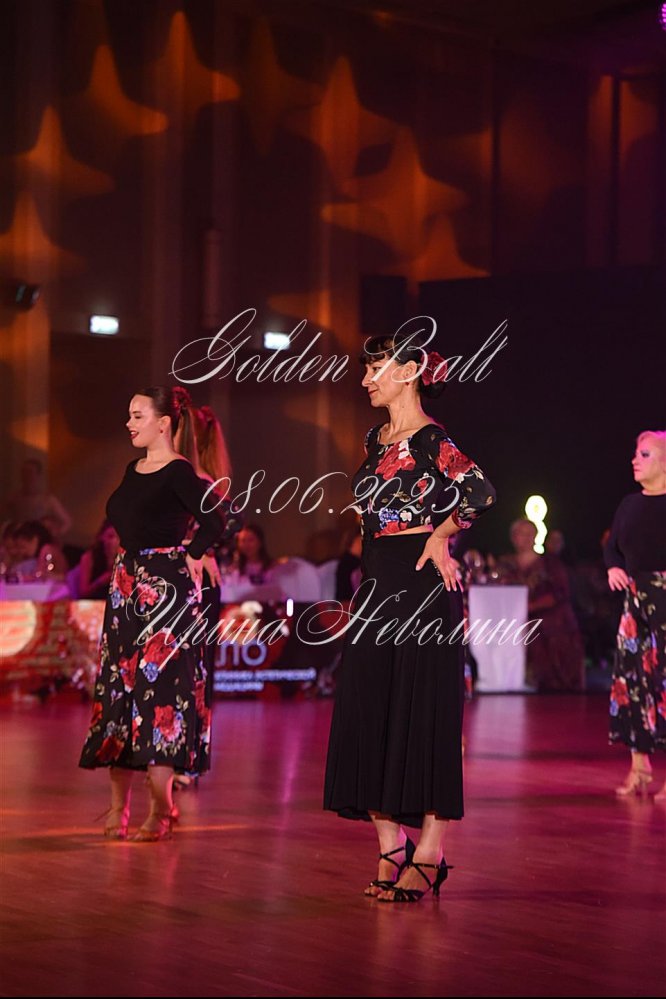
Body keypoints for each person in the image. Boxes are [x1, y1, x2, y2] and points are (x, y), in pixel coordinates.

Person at [323, 330, 496, 903]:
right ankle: (390, 845)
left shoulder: (431, 439)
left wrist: (441, 536)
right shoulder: (374, 439)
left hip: (421, 588)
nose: (365, 380)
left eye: (374, 369)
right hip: (377, 586)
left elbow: (479, 494)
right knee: (370, 708)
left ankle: (429, 852)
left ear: (406, 372)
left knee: (423, 714)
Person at [79, 386, 240, 842]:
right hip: (125, 587)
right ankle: (118, 808)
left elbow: (216, 520)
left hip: (164, 592)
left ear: (163, 423)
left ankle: (161, 810)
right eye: (129, 415)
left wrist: (193, 552)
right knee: (120, 688)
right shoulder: (133, 469)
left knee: (160, 692)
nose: (129, 423)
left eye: (137, 415)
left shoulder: (180, 471)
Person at [604, 430, 666, 798]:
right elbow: (612, 547)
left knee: (664, 681)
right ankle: (639, 767)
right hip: (636, 602)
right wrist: (613, 566)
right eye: (636, 453)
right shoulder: (629, 504)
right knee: (633, 681)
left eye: (645, 454)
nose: (635, 460)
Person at [497, 519, 585, 692]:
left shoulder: (551, 564)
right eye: (522, 534)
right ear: (513, 537)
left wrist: (529, 607)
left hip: (550, 627)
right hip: (514, 626)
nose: (526, 538)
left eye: (530, 534)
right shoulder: (505, 565)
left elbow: (560, 593)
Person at [3, 458, 72, 539]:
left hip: (39, 541)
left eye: (30, 472)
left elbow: (67, 521)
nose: (26, 476)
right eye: (24, 472)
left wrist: (53, 535)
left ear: (38, 475)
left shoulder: (47, 499)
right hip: (19, 541)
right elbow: (4, 516)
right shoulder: (14, 497)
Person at [78, 521, 120, 599]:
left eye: (118, 538)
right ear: (101, 536)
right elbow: (83, 592)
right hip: (93, 602)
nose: (113, 541)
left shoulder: (123, 558)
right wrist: (101, 581)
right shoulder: (89, 557)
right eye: (110, 536)